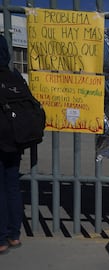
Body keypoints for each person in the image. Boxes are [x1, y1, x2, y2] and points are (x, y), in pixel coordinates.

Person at [0, 35, 23, 254]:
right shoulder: (14, 76)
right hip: (15, 141)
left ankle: (1, 238)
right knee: (12, 185)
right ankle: (14, 234)